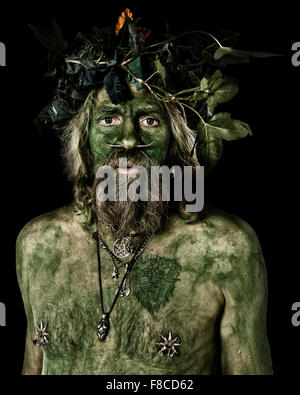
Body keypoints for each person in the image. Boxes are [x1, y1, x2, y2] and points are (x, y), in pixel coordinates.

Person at [16, 10, 273, 375]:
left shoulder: (226, 249)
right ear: (83, 140)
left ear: (177, 140)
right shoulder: (37, 244)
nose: (129, 138)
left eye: (150, 120)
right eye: (109, 119)